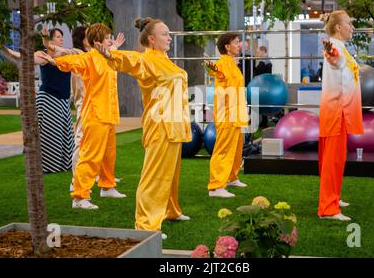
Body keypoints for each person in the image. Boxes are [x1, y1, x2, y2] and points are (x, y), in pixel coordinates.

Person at [97, 17, 192, 237]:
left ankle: (171, 210)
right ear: (151, 38)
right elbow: (131, 61)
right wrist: (111, 54)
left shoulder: (165, 59)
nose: (169, 37)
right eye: (165, 34)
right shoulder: (147, 59)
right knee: (155, 176)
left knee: (171, 174)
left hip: (175, 124)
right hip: (160, 126)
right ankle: (147, 224)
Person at [39, 23, 127, 210]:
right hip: (95, 113)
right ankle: (79, 196)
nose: (111, 41)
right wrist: (53, 59)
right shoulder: (89, 58)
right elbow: (70, 61)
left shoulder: (109, 57)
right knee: (90, 156)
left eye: (111, 37)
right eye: (108, 38)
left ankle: (107, 185)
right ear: (97, 41)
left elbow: (119, 56)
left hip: (109, 113)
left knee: (109, 154)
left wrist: (115, 47)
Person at [318, 10, 363, 221]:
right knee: (332, 160)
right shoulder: (334, 47)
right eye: (348, 23)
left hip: (341, 111)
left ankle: (333, 197)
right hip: (336, 110)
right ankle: (328, 208)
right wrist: (330, 52)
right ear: (338, 27)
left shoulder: (342, 48)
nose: (352, 27)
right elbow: (333, 59)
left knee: (338, 159)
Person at [206, 33, 249, 198]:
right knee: (223, 150)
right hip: (226, 114)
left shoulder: (231, 64)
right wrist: (213, 67)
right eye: (236, 42)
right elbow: (214, 71)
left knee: (236, 149)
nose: (239, 45)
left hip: (236, 113)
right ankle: (216, 187)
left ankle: (231, 177)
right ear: (227, 47)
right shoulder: (223, 63)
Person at [35, 28, 74, 174]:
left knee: (65, 135)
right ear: (50, 41)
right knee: (50, 135)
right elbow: (33, 58)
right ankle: (48, 167)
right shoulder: (43, 56)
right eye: (58, 37)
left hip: (63, 101)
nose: (61, 39)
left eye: (62, 36)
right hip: (49, 99)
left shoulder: (64, 54)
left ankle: (64, 165)